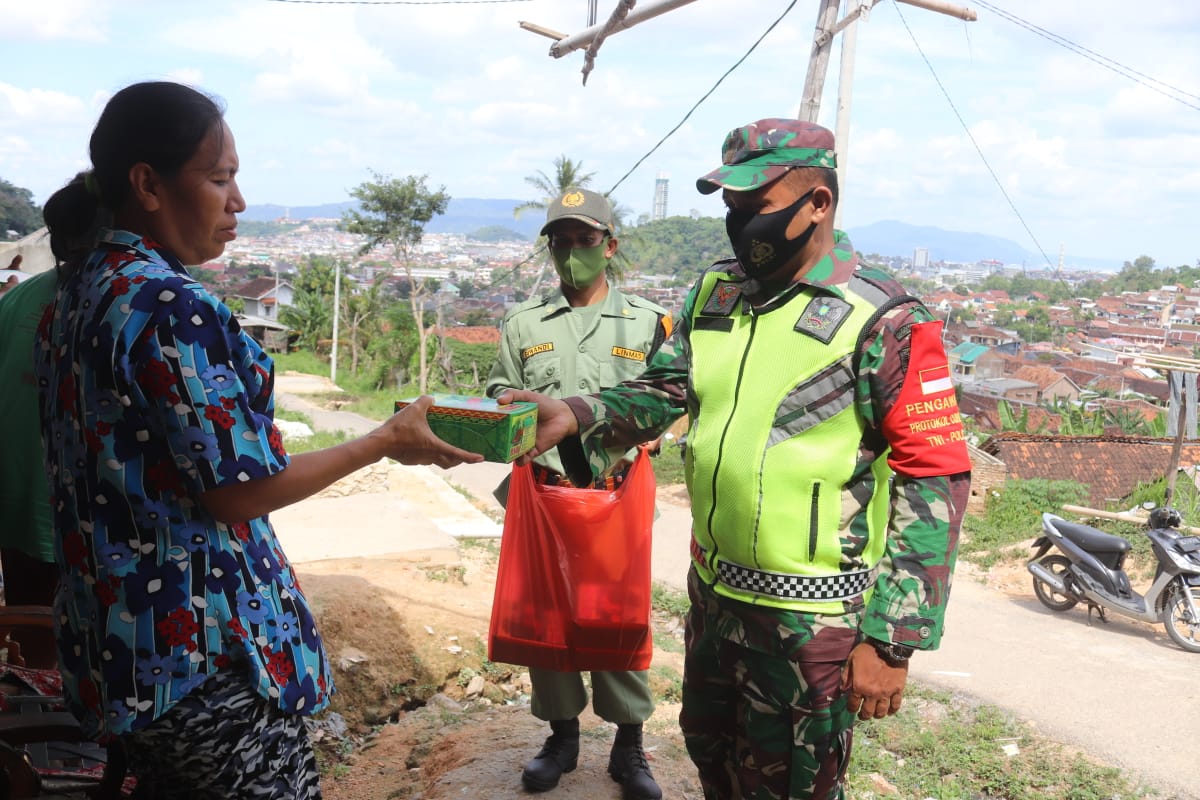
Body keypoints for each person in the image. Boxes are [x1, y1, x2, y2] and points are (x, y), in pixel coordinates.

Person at [499, 119, 973, 799]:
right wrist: (576, 413)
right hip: (717, 601)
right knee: (714, 762)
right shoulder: (715, 294)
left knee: (797, 786)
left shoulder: (884, 317)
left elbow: (936, 474)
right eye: (731, 206)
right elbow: (664, 390)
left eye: (757, 206)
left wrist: (893, 639)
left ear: (819, 203)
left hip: (813, 624)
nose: (740, 222)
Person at [35, 80, 482, 798]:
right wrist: (383, 441)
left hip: (117, 651)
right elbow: (240, 494)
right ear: (147, 184)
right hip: (200, 668)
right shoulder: (169, 306)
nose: (237, 201)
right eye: (219, 178)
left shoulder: (80, 293)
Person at [485, 188, 671, 800]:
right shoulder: (522, 323)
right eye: (559, 242)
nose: (571, 253)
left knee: (616, 614)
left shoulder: (648, 323)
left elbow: (670, 401)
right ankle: (562, 736)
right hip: (544, 492)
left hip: (618, 494)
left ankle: (629, 746)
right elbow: (499, 392)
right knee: (549, 614)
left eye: (584, 240)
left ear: (609, 246)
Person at [0, 268, 60, 665]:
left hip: (16, 501)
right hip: (78, 520)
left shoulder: (19, 298)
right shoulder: (139, 301)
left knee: (33, 646)